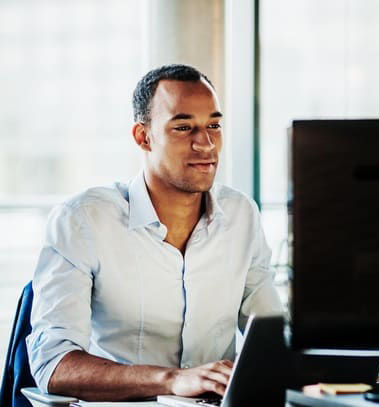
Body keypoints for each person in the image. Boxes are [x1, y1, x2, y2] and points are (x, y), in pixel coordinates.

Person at [26, 64, 282, 401]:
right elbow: (54, 365)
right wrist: (172, 380)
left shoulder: (241, 215)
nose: (205, 143)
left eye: (214, 125)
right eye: (183, 127)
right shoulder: (83, 220)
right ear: (143, 137)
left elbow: (272, 337)